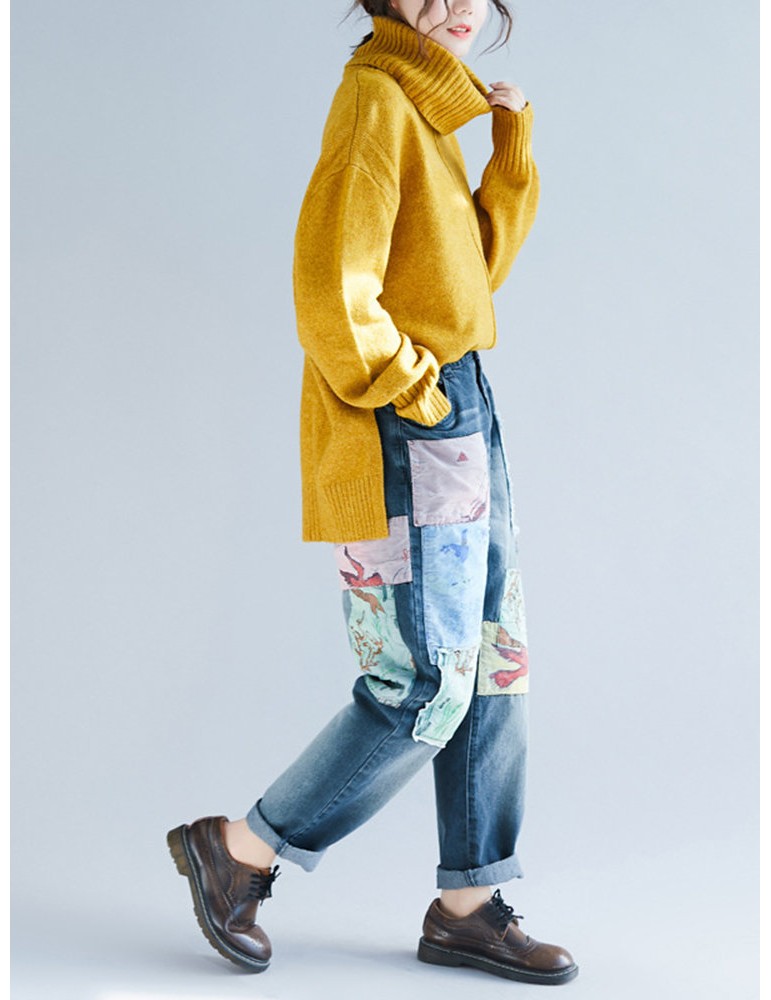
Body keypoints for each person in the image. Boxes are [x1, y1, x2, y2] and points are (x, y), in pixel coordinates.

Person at [167, 0, 578, 985]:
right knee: (424, 678)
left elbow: (472, 278)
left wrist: (510, 151)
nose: (457, 7)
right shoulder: (375, 100)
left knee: (491, 659)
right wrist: (410, 389)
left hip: (460, 399)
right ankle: (239, 849)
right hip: (411, 416)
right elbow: (329, 288)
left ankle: (467, 905)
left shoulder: (430, 108)